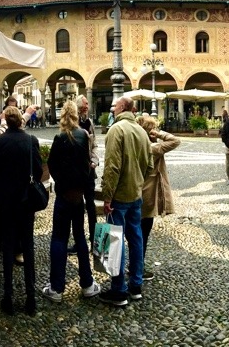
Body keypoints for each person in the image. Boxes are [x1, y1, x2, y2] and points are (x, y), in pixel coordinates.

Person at [42, 101, 101, 304]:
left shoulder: (59, 138)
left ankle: (56, 288)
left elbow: (52, 164)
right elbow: (86, 164)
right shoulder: (83, 135)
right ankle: (87, 284)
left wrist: (61, 184)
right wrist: (82, 188)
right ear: (76, 115)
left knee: (59, 238)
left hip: (63, 195)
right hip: (78, 195)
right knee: (80, 237)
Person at [98, 96, 153, 307]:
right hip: (135, 195)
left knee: (115, 240)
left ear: (123, 107)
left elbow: (112, 167)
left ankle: (119, 290)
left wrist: (107, 196)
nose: (112, 108)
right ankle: (136, 285)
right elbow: (149, 166)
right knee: (136, 238)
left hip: (119, 196)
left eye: (115, 105)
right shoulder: (141, 131)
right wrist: (137, 181)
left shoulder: (117, 130)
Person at [0, 106, 42, 316]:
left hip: (6, 203)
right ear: (21, 120)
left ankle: (8, 297)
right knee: (27, 247)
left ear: (6, 121)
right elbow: (38, 170)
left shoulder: (0, 142)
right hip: (26, 201)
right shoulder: (31, 141)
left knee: (9, 247)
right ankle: (31, 298)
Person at [138, 114, 177, 279]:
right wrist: (159, 133)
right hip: (148, 196)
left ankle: (134, 266)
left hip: (136, 192)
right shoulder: (154, 149)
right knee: (143, 235)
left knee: (136, 234)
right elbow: (175, 141)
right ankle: (137, 268)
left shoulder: (137, 146)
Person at [76, 95, 99, 251]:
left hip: (89, 171)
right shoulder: (73, 123)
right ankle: (79, 242)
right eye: (84, 104)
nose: (87, 106)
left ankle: (93, 240)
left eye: (87, 104)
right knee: (77, 207)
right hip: (76, 172)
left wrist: (95, 161)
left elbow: (95, 145)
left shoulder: (89, 123)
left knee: (90, 206)